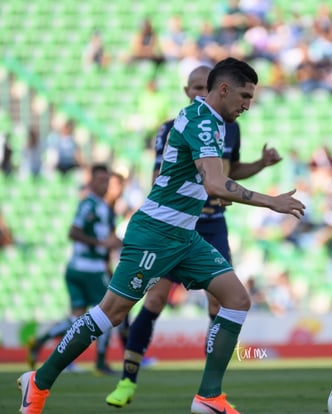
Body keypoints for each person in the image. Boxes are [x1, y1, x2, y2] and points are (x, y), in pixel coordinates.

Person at [17, 57, 305, 414]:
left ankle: (208, 397)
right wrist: (271, 201)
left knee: (236, 299)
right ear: (225, 89)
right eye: (244, 96)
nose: (248, 104)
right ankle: (40, 382)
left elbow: (206, 180)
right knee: (112, 313)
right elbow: (215, 182)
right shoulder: (201, 123)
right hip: (155, 233)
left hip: (184, 234)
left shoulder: (213, 121)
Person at [105, 64, 283, 408]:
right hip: (177, 222)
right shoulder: (174, 127)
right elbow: (167, 174)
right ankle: (128, 380)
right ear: (188, 92)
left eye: (205, 86)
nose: (200, 92)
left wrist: (260, 164)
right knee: (154, 300)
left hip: (214, 223)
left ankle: (209, 389)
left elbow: (230, 171)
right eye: (196, 87)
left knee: (221, 303)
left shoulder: (230, 128)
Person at [26, 164, 122, 375]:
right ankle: (100, 362)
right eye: (99, 180)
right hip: (89, 269)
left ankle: (39, 341)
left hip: (78, 267)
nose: (103, 184)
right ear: (90, 181)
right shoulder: (90, 205)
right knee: (107, 313)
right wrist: (100, 244)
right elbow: (73, 231)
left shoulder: (102, 206)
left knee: (76, 319)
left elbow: (105, 239)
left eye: (106, 180)